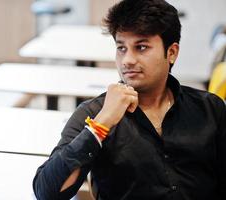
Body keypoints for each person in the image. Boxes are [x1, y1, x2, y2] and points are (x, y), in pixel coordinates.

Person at [33, 0, 226, 199]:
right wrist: (100, 126)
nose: (127, 60)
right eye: (121, 48)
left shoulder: (210, 109)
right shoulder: (94, 113)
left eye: (141, 47)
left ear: (172, 52)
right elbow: (46, 193)